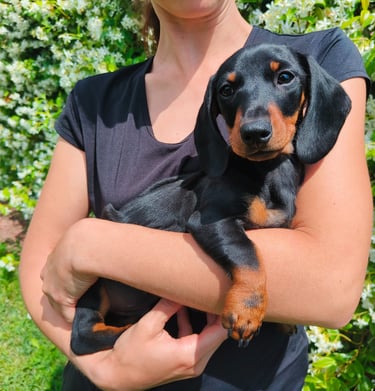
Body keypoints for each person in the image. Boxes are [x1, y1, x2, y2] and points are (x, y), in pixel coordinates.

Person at [20, 1, 372, 390]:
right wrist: (106, 370)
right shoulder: (93, 102)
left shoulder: (323, 57)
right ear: (217, 115)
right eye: (228, 91)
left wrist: (90, 242)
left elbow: (330, 289)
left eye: (284, 80)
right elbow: (40, 270)